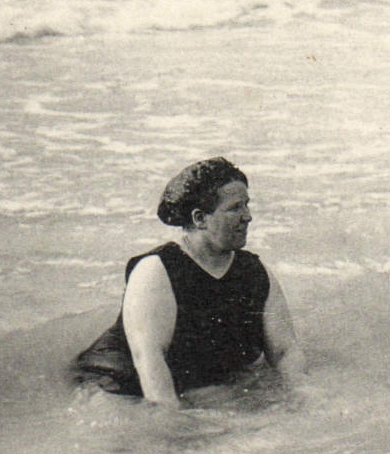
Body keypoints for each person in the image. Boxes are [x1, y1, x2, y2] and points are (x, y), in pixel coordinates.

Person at [71, 157, 304, 406]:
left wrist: (302, 395)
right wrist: (176, 420)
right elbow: (149, 361)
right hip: (117, 383)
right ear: (199, 219)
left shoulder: (254, 271)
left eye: (247, 205)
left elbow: (284, 352)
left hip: (193, 381)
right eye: (235, 208)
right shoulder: (156, 271)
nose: (248, 216)